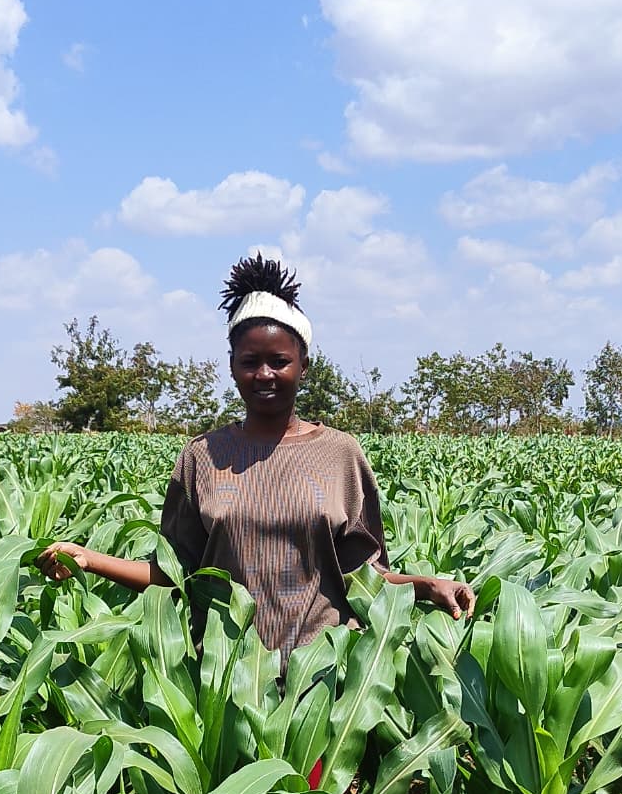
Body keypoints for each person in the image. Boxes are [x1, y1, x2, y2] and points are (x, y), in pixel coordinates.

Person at [38, 252, 475, 667]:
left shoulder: (341, 454)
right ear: (232, 366)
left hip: (324, 679)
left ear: (303, 365)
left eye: (279, 361)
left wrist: (427, 586)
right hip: (224, 677)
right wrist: (87, 558)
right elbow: (171, 573)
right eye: (250, 362)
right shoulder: (201, 457)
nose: (264, 374)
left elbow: (367, 579)